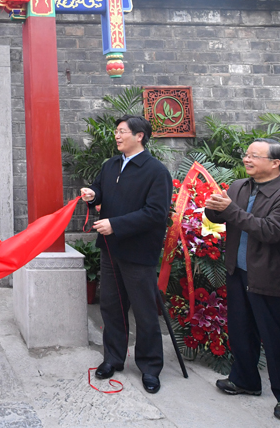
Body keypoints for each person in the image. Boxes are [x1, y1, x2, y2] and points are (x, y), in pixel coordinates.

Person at [205, 139, 280, 423]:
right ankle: (245, 380)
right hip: (238, 271)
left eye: (254, 156)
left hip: (270, 276)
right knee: (241, 330)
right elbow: (221, 215)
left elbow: (270, 231)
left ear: (275, 163)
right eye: (246, 155)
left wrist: (229, 210)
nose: (247, 159)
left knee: (278, 339)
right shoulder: (239, 186)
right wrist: (213, 208)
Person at [81, 114, 171, 395]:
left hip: (138, 252)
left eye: (122, 132)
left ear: (139, 136)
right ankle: (113, 358)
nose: (117, 136)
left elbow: (156, 214)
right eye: (116, 131)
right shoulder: (110, 166)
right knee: (111, 306)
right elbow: (101, 190)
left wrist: (116, 225)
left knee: (144, 311)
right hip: (110, 250)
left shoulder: (156, 171)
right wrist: (92, 195)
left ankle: (150, 366)